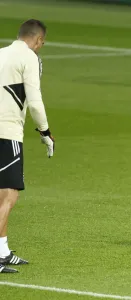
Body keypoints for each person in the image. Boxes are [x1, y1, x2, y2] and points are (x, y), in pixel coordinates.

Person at [0, 19, 55, 273]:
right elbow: (35, 102)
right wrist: (45, 132)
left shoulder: (1, 54)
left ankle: (3, 251)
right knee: (8, 196)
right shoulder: (30, 58)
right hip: (7, 133)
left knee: (5, 195)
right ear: (39, 40)